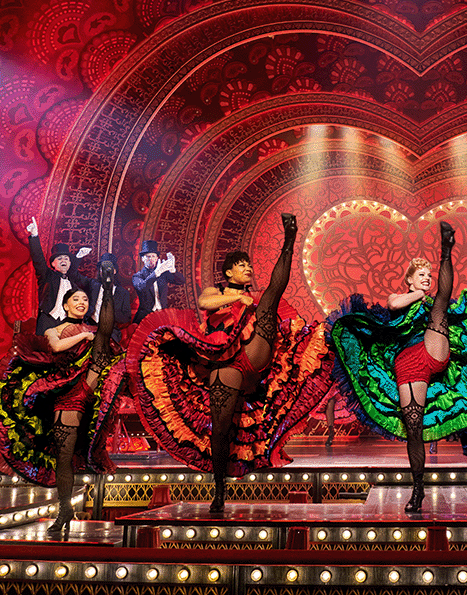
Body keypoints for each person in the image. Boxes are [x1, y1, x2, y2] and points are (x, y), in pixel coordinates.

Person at [128, 214, 332, 512]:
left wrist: (287, 243)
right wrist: (236, 299)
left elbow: (274, 289)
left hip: (261, 363)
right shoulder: (219, 292)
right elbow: (204, 303)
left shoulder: (256, 299)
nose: (248, 268)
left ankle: (289, 242)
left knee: (271, 300)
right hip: (228, 363)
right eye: (241, 265)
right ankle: (220, 490)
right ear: (228, 272)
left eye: (249, 265)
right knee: (221, 429)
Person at [330, 222, 467, 513]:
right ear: (411, 280)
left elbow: (458, 309)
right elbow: (393, 305)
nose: (427, 279)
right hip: (408, 364)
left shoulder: (434, 302)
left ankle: (446, 250)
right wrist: (420, 294)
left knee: (441, 305)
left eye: (430, 275)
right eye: (422, 276)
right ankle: (418, 490)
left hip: (436, 349)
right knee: (413, 429)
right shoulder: (401, 297)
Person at [0, 263, 125, 539]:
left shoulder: (94, 329)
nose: (82, 302)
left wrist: (95, 323)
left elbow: (104, 333)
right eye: (76, 299)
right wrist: (84, 335)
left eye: (86, 299)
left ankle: (108, 288)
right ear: (65, 305)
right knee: (64, 456)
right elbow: (55, 347)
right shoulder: (55, 329)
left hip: (92, 385)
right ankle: (65, 508)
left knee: (102, 338)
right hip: (66, 392)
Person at [26, 217, 92, 335]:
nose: (64, 261)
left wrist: (78, 257)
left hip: (69, 323)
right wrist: (34, 236)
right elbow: (38, 259)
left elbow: (74, 273)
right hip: (48, 320)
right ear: (53, 264)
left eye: (66, 259)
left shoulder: (73, 282)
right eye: (60, 258)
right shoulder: (47, 276)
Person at [132, 240, 186, 324]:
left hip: (163, 315)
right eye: (148, 256)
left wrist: (172, 270)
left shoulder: (163, 274)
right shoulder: (137, 276)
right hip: (145, 317)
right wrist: (156, 273)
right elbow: (142, 287)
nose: (151, 259)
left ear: (157, 258)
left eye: (153, 256)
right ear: (143, 259)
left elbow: (181, 281)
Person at [87, 253, 131, 341]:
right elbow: (75, 276)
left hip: (110, 331)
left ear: (114, 271)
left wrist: (111, 311)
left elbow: (126, 317)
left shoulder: (123, 293)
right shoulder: (92, 285)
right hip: (90, 326)